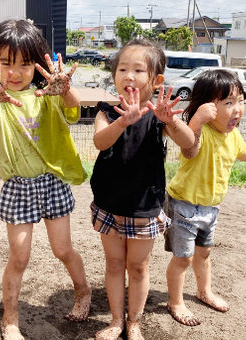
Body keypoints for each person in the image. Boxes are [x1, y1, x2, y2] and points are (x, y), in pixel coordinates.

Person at [0, 19, 91, 340]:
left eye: (25, 63)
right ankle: (9, 318)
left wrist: (65, 89)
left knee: (63, 249)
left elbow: (73, 110)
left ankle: (83, 291)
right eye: (7, 63)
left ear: (37, 64)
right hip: (18, 187)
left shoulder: (48, 93)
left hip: (52, 182)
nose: (16, 71)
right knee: (19, 256)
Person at [89, 39, 196, 340]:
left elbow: (189, 143)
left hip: (145, 205)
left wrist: (171, 121)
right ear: (114, 76)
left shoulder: (159, 113)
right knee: (113, 263)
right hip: (110, 201)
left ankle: (134, 322)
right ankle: (115, 321)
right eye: (122, 68)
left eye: (138, 69)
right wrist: (122, 121)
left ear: (156, 80)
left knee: (137, 266)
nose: (128, 75)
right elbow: (100, 142)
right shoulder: (107, 110)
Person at [165, 69, 246, 326]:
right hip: (184, 205)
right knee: (183, 258)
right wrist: (197, 121)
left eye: (240, 101)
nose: (237, 110)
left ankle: (204, 291)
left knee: (204, 253)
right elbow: (189, 149)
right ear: (207, 107)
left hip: (211, 208)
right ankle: (175, 302)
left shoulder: (232, 135)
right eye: (229, 103)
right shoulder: (202, 132)